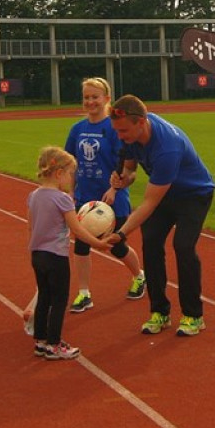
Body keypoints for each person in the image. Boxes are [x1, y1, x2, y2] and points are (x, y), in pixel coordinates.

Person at [107, 95, 215, 337]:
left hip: (193, 194)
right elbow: (130, 169)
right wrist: (123, 179)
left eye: (123, 130)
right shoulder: (130, 136)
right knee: (151, 243)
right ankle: (159, 312)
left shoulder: (167, 146)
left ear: (142, 122)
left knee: (183, 246)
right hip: (165, 193)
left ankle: (193, 315)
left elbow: (148, 203)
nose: (119, 136)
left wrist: (121, 233)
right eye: (117, 131)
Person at [64, 77, 146, 313]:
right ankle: (84, 293)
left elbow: (124, 161)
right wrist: (70, 192)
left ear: (107, 99)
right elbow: (71, 162)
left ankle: (139, 276)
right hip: (84, 199)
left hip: (112, 200)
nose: (90, 102)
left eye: (95, 97)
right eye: (86, 97)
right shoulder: (77, 129)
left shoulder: (113, 128)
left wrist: (114, 188)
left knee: (116, 246)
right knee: (80, 246)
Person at [27, 146, 115, 361]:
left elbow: (31, 226)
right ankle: (55, 344)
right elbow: (77, 230)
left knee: (45, 298)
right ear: (59, 174)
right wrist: (99, 244)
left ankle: (40, 341)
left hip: (37, 254)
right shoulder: (63, 199)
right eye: (70, 175)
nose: (71, 180)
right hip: (56, 257)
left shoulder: (33, 196)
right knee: (59, 301)